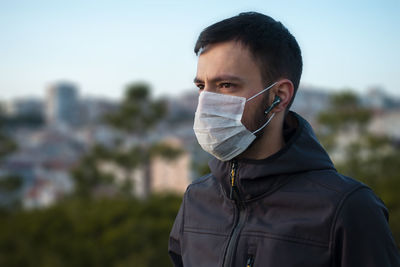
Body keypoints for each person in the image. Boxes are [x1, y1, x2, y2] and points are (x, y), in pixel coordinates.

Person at [168, 12, 400, 267]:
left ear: (279, 95)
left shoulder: (347, 208)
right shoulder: (196, 199)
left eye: (225, 85)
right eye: (202, 86)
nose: (206, 103)